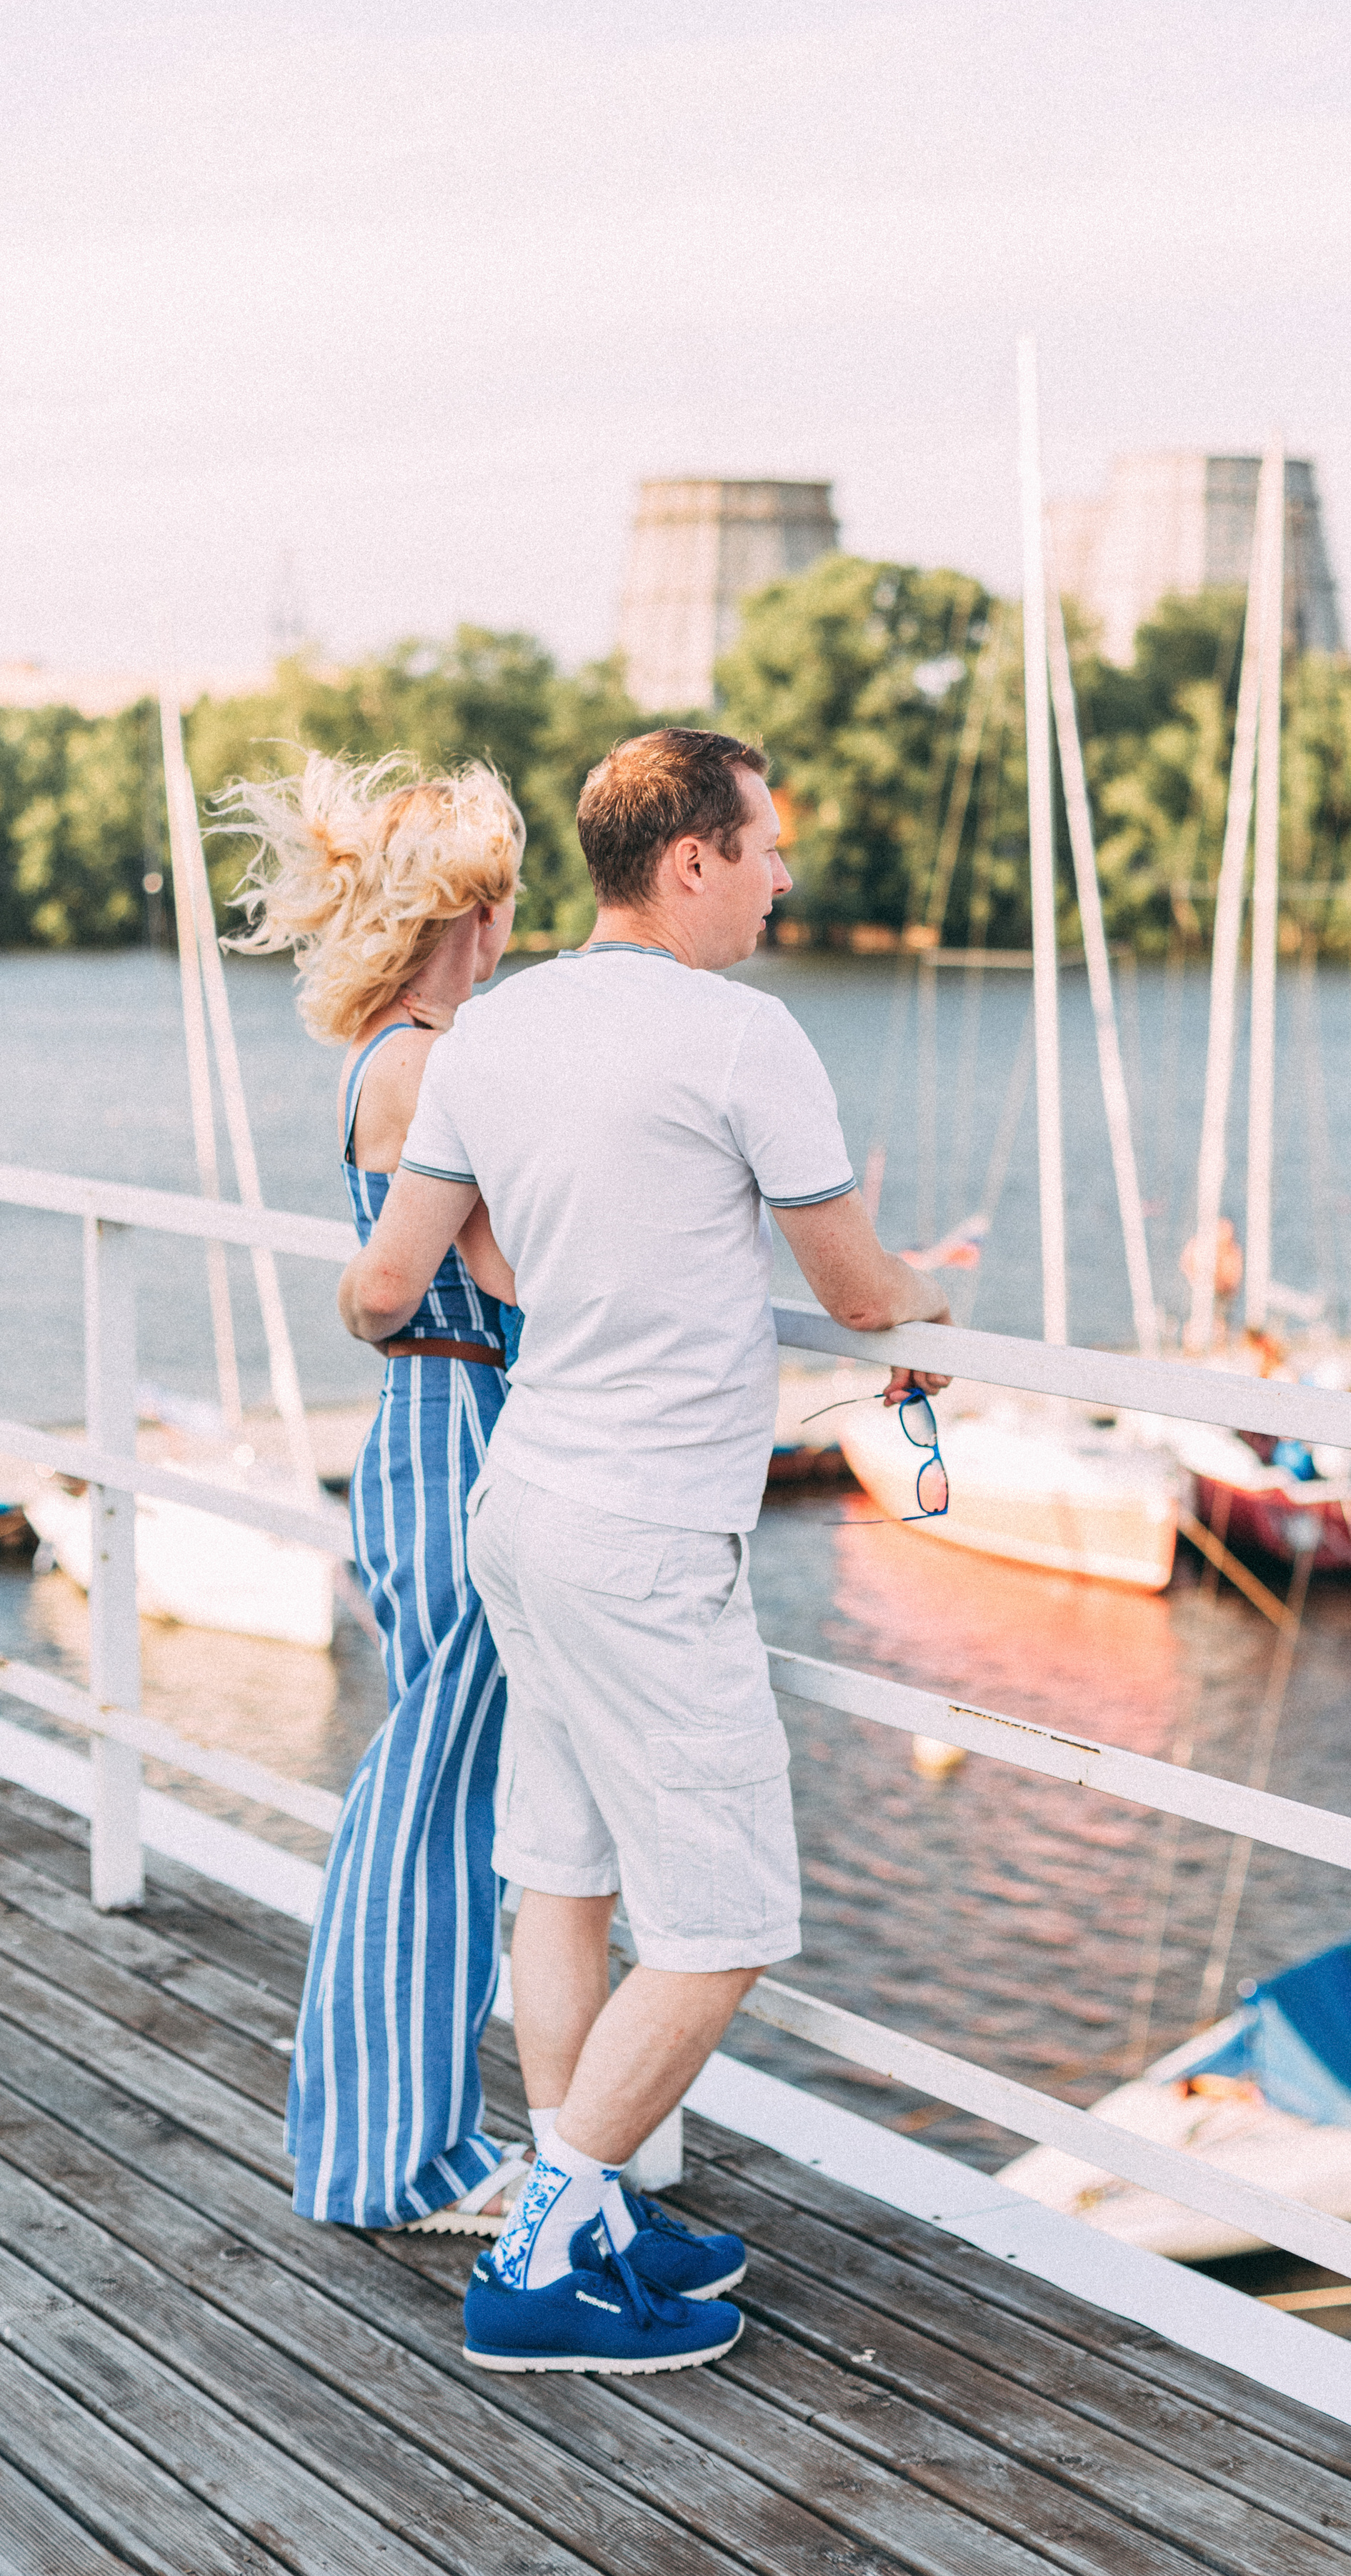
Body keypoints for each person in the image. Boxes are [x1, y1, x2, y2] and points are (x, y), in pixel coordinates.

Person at [336, 726, 949, 2376]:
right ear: (691, 860)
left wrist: (429, 1307)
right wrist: (938, 1300)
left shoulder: (493, 1030)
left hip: (523, 1506)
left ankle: (585, 2201)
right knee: (724, 1921)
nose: (782, 877)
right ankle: (542, 2253)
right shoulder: (744, 1038)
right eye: (765, 846)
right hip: (648, 1536)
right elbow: (858, 1293)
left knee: (562, 1871)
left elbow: (388, 1288)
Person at [223, 752, 535, 2234]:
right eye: (509, 896)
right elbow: (479, 1278)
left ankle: (392, 2135)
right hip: (459, 1427)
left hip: (425, 1426)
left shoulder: (388, 1052)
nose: (517, 925)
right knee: (433, 1806)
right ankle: (399, 2160)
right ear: (472, 909)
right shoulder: (428, 1064)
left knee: (432, 1790)